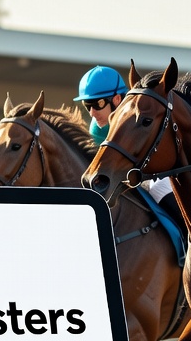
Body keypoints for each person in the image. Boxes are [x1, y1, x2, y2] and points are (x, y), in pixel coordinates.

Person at [75, 66, 182, 224]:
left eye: (97, 104)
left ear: (117, 99)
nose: (92, 112)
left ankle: (185, 239)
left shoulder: (137, 112)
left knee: (158, 188)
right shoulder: (96, 128)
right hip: (134, 173)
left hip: (161, 170)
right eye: (87, 105)